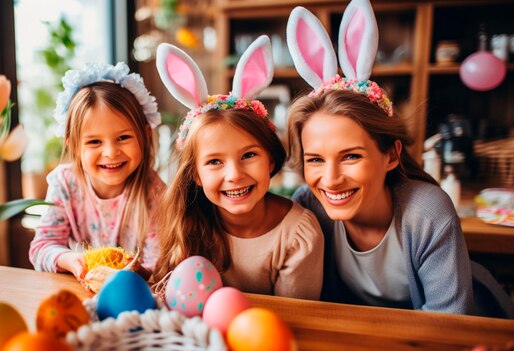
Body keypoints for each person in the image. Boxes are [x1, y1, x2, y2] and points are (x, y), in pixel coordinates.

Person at [285, 0, 513, 317]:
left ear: (391, 155)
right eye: (315, 160)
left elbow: (446, 326)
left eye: (350, 156)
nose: (331, 178)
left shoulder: (427, 212)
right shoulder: (308, 206)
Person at [152, 36, 324, 300]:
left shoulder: (297, 234)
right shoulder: (186, 222)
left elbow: (294, 321)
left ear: (270, 159)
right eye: (214, 162)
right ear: (195, 174)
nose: (234, 175)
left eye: (249, 155)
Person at [29, 62, 166, 280]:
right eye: (94, 142)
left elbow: (159, 262)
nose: (111, 152)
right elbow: (42, 248)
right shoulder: (64, 183)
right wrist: (71, 260)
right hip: (77, 291)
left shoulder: (155, 192)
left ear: (145, 135)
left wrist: (135, 271)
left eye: (123, 138)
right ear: (74, 145)